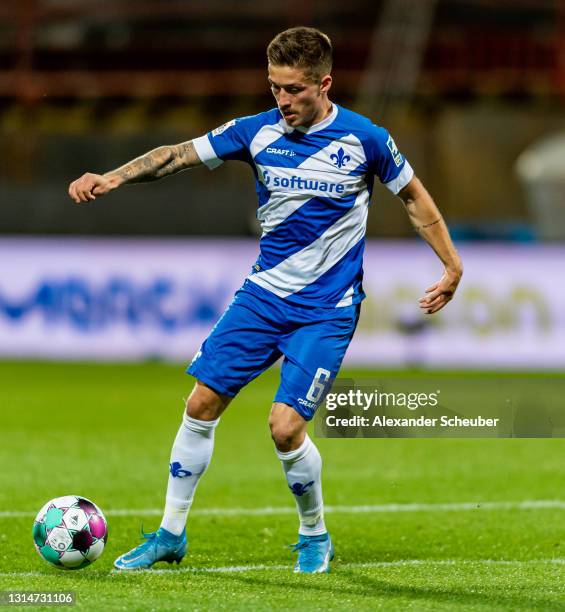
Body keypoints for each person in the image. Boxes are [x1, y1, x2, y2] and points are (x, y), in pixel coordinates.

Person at [68, 26, 462, 574]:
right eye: (274, 86)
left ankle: (313, 533)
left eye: (294, 89)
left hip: (327, 309)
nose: (282, 100)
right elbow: (177, 154)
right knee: (200, 404)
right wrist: (111, 178)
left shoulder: (366, 138)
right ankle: (170, 533)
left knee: (284, 427)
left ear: (324, 83)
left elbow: (415, 199)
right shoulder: (255, 133)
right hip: (261, 298)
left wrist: (451, 263)